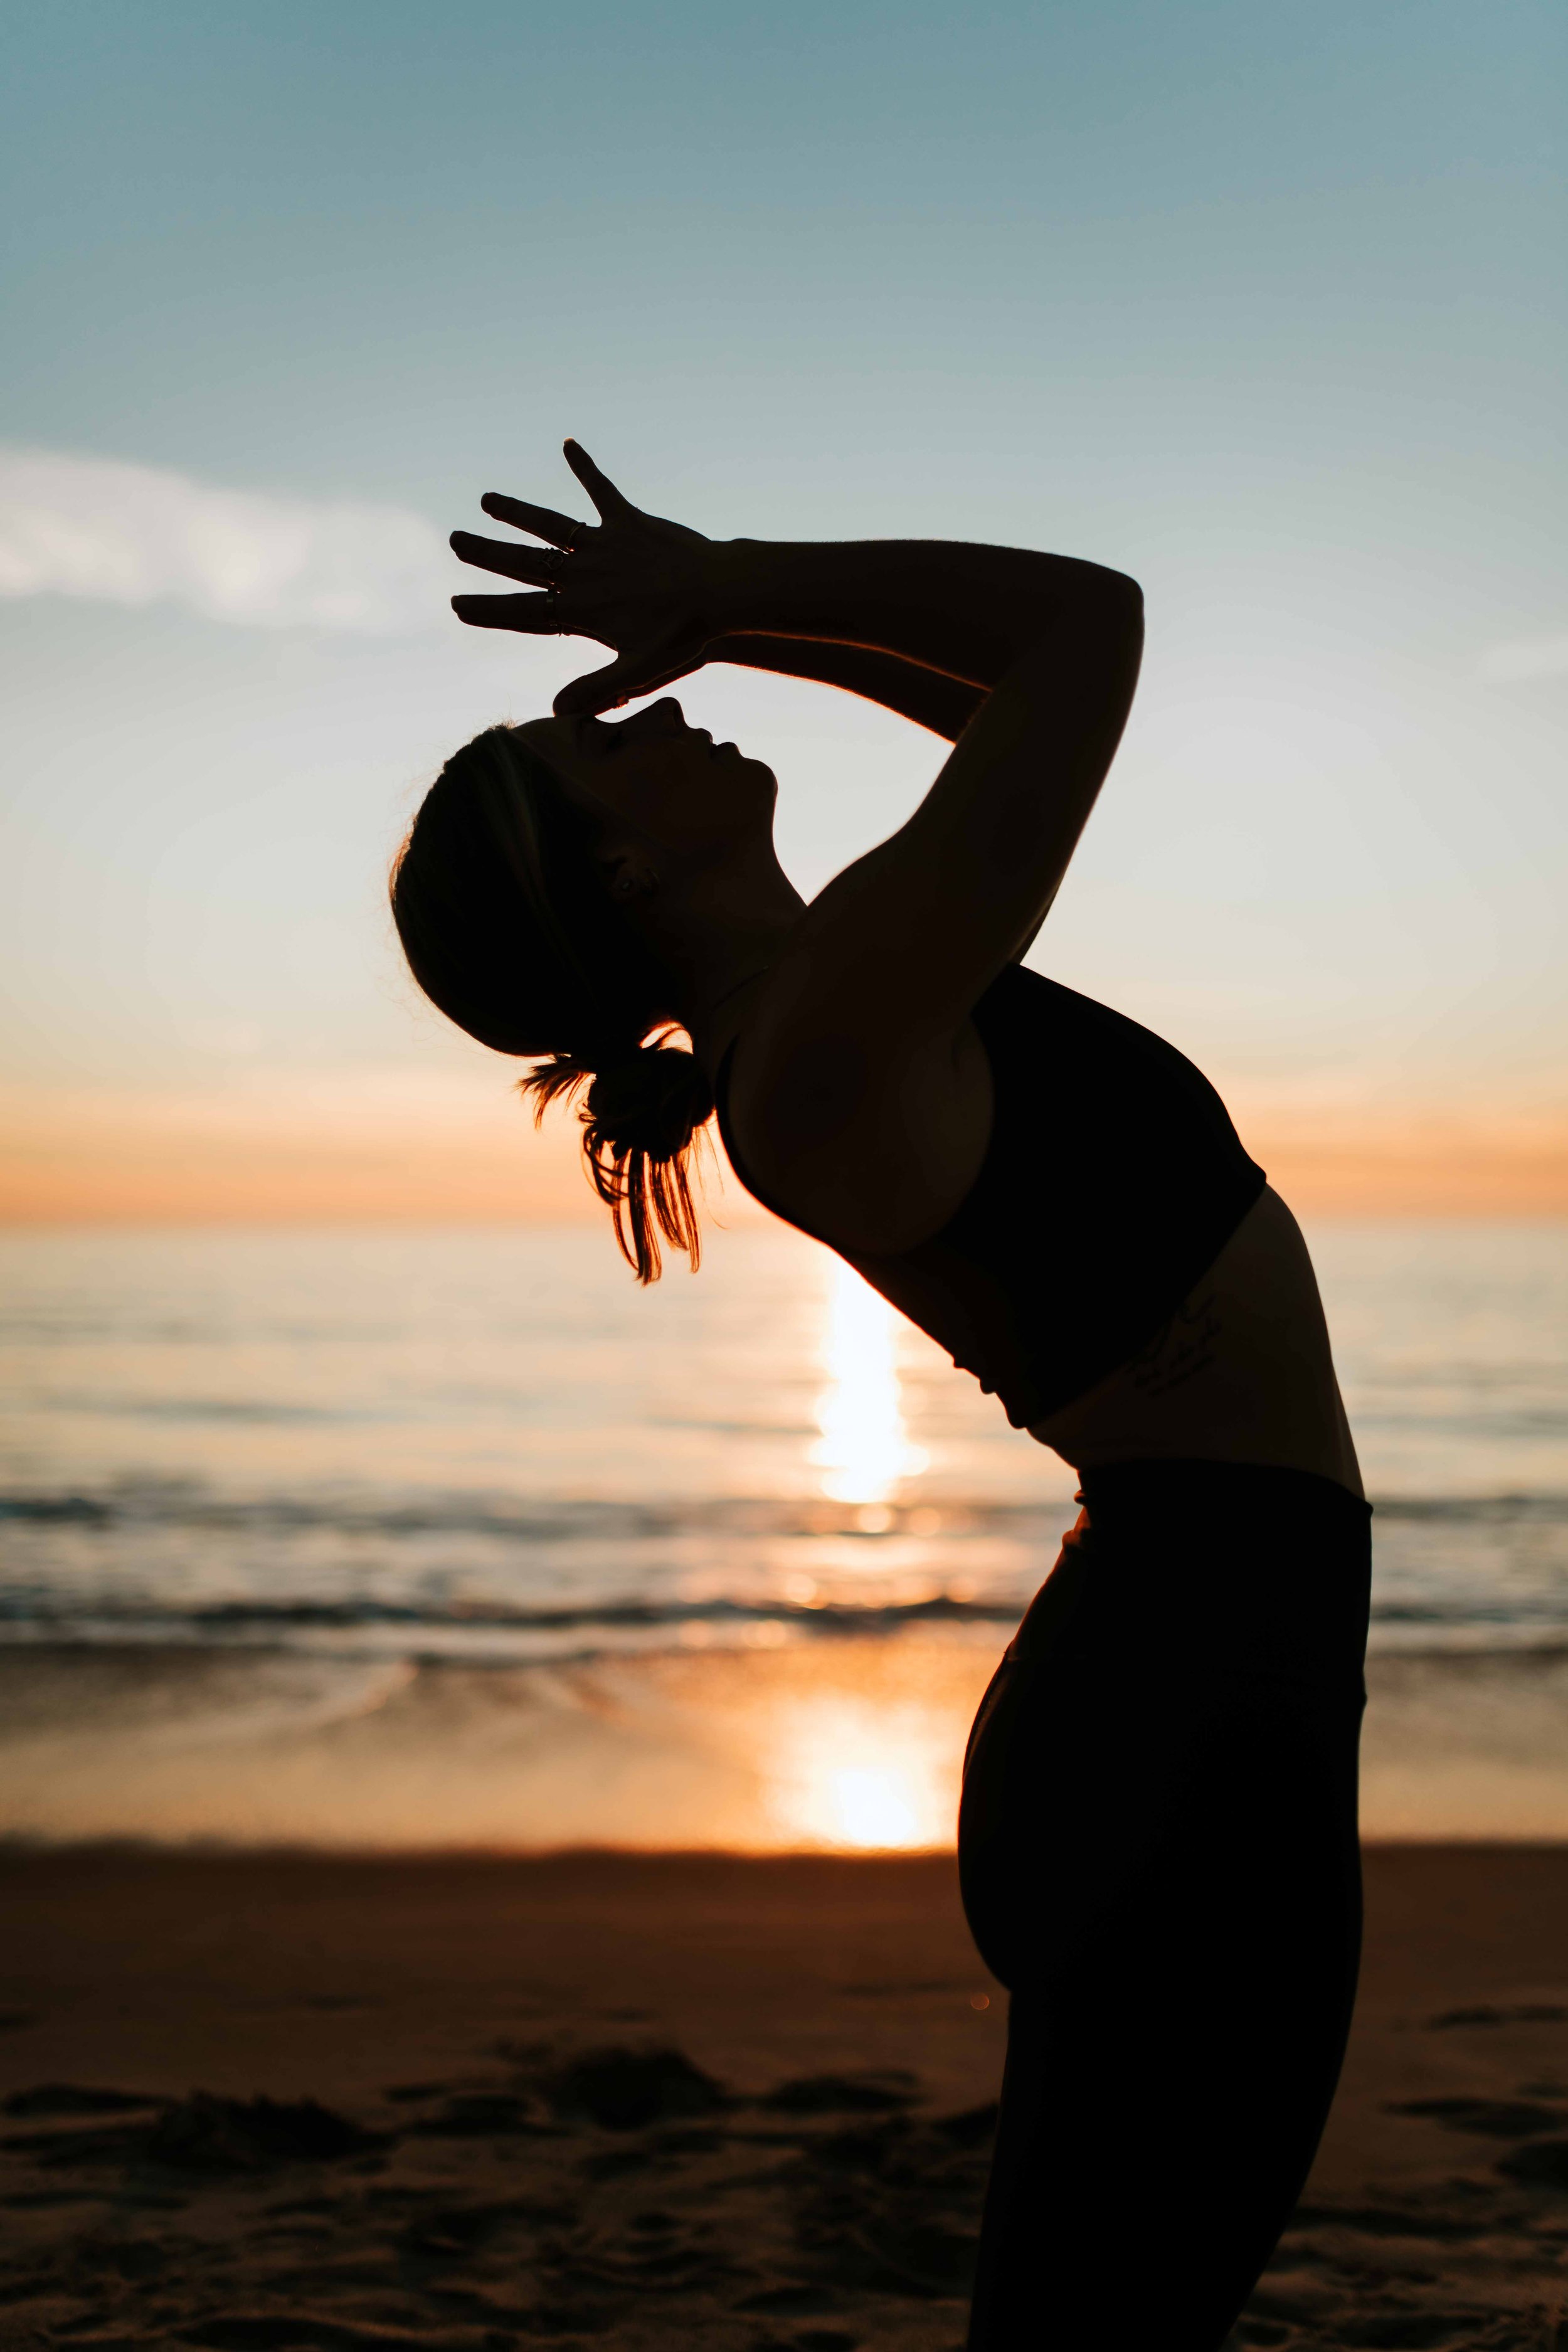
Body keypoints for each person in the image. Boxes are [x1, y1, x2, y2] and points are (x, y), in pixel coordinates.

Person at [391, 442, 1371, 2352]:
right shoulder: (829, 1035)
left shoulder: (850, 968)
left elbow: (1027, 696)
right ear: (616, 866)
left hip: (1191, 1673)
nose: (653, 709)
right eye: (605, 744)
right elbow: (1086, 626)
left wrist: (735, 609)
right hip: (1182, 1712)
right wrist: (732, 583)